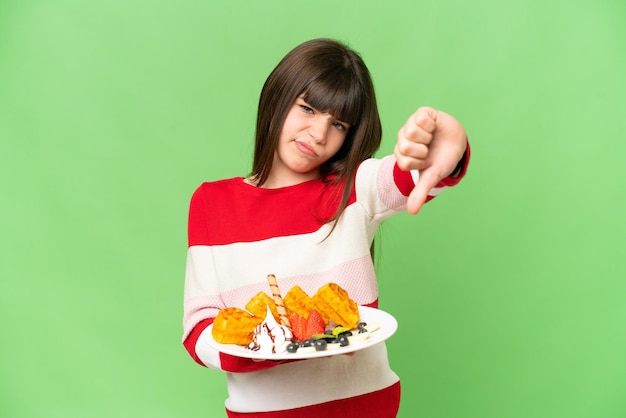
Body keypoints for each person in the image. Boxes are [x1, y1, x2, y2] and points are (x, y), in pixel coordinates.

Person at [182, 38, 470, 417]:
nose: (319, 134)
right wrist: (258, 348)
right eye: (307, 108)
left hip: (365, 406)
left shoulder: (355, 189)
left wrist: (445, 148)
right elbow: (198, 327)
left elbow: (404, 175)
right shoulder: (211, 203)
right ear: (276, 99)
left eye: (337, 123)